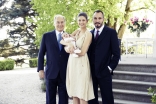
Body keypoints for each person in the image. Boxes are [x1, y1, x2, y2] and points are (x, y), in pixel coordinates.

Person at [88, 10, 120, 104]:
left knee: (107, 99)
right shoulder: (89, 33)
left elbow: (116, 54)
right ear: (92, 20)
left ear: (103, 19)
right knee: (92, 100)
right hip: (91, 73)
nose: (97, 20)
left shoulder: (111, 32)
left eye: (99, 18)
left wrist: (110, 68)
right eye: (95, 18)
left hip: (105, 72)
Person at [63, 12, 95, 104]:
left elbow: (83, 51)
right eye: (79, 20)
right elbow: (63, 41)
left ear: (87, 21)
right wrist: (68, 45)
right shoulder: (76, 32)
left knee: (82, 94)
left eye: (83, 20)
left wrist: (71, 50)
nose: (81, 22)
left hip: (81, 63)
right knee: (75, 94)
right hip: (73, 63)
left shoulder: (88, 34)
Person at [37, 14, 69, 104]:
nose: (60, 24)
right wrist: (40, 69)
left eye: (62, 22)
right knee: (50, 98)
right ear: (54, 23)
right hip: (51, 71)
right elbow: (41, 53)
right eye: (58, 22)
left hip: (64, 72)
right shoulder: (46, 36)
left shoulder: (68, 37)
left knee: (64, 99)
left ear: (65, 23)